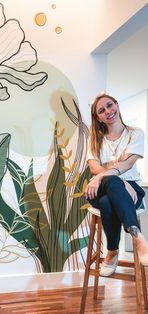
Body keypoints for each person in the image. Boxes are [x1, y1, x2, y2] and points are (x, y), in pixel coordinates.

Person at [85, 91, 148, 276]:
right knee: (111, 183)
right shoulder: (95, 139)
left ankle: (111, 252)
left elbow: (128, 163)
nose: (108, 111)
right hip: (98, 188)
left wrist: (110, 177)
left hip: (131, 189)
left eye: (109, 105)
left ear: (117, 105)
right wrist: (116, 179)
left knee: (107, 202)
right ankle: (138, 238)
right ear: (99, 118)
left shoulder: (135, 134)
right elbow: (94, 167)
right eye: (101, 110)